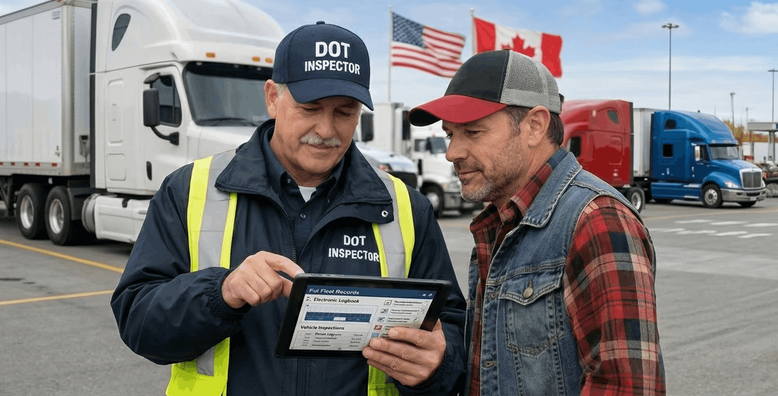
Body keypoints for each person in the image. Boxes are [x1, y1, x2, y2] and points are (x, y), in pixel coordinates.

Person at [110, 21, 466, 396]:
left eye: (344, 112)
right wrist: (222, 292)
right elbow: (138, 322)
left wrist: (437, 366)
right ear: (272, 97)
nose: (326, 129)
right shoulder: (187, 190)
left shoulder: (408, 208)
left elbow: (452, 330)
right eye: (309, 108)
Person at [408, 50, 666, 395]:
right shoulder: (500, 224)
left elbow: (628, 386)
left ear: (534, 126)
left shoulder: (596, 220)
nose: (452, 152)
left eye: (472, 132)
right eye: (450, 134)